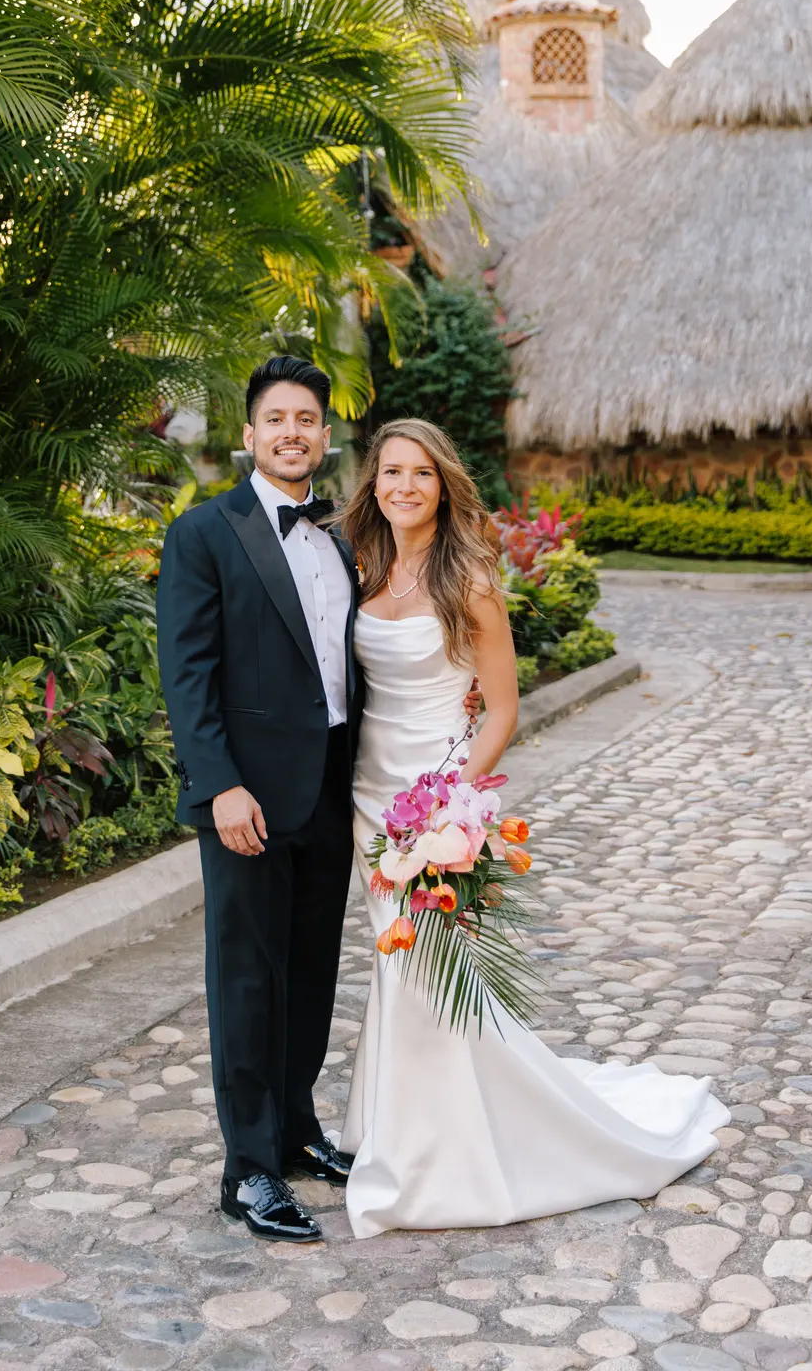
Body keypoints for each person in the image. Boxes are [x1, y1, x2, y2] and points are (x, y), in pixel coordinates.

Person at [338, 417, 729, 1237]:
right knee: (396, 965)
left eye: (421, 474)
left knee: (425, 970)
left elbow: (502, 711)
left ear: (444, 486)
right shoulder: (362, 566)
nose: (404, 486)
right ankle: (397, 1132)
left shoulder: (467, 580)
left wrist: (448, 804)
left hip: (434, 805)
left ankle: (443, 1157)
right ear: (372, 483)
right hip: (366, 798)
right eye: (391, 472)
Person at [156, 355, 361, 1243]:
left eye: (306, 419)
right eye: (276, 418)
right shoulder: (204, 534)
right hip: (247, 798)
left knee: (311, 969)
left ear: (323, 433)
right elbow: (187, 676)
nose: (292, 432)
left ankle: (295, 1130)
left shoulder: (342, 535)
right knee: (247, 977)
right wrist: (221, 786)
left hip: (328, 790)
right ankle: (246, 1171)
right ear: (249, 435)